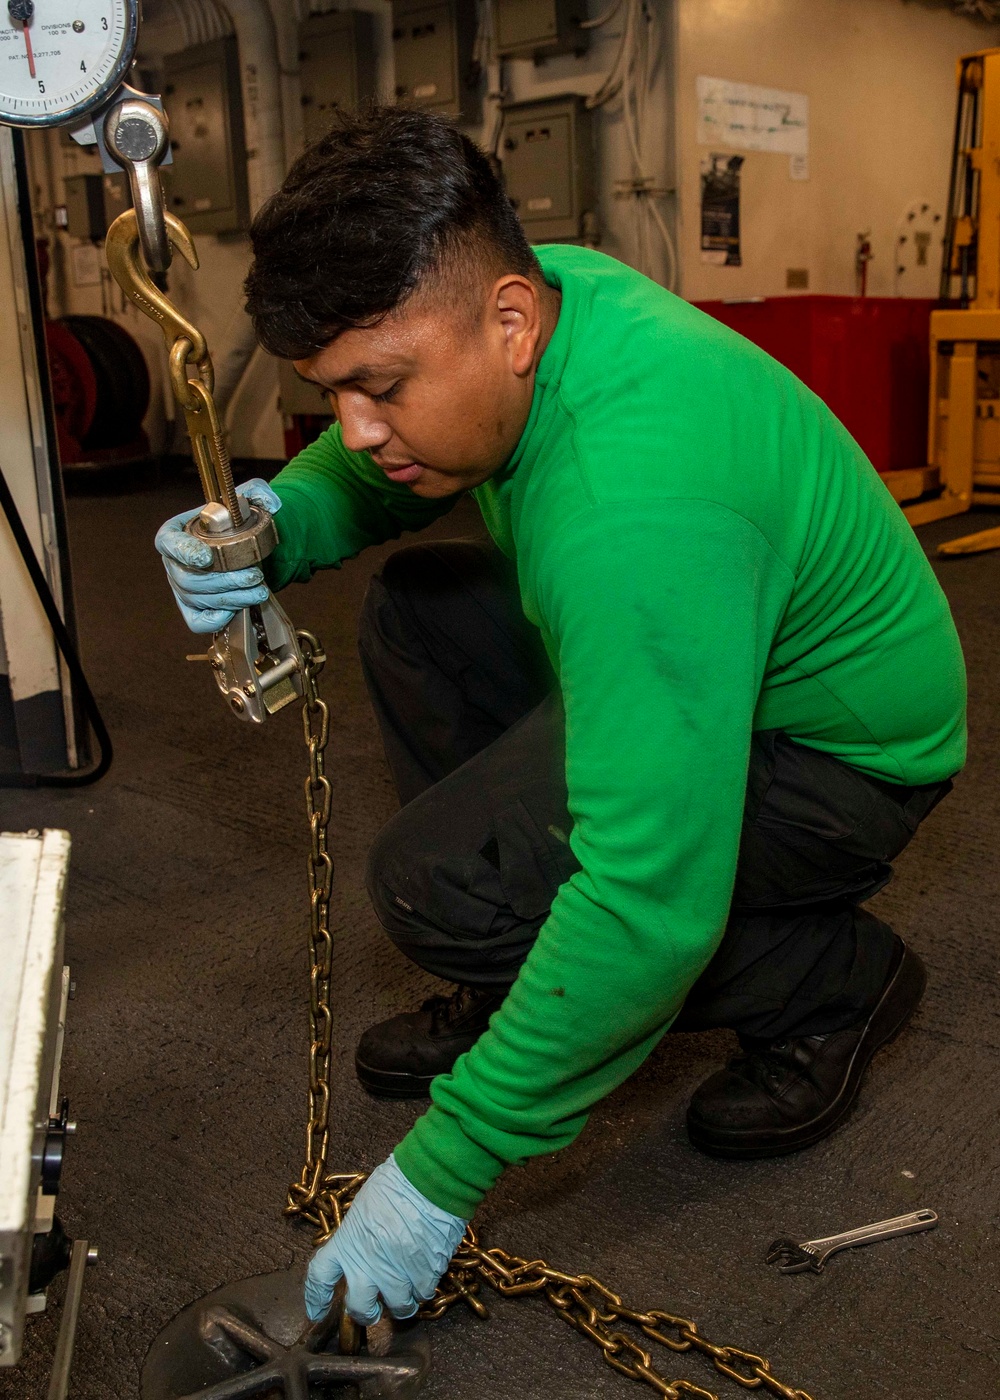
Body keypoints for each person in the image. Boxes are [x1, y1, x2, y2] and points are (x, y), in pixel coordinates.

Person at [155, 105, 966, 1328]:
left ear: (510, 324)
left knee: (442, 887)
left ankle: (832, 982)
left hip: (843, 750)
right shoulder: (545, 292)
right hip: (713, 652)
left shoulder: (636, 513)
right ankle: (522, 986)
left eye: (379, 389)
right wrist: (280, 524)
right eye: (337, 394)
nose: (356, 432)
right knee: (422, 608)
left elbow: (648, 903)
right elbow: (370, 470)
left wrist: (440, 1170)